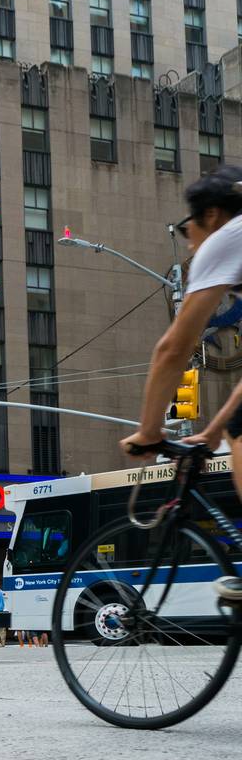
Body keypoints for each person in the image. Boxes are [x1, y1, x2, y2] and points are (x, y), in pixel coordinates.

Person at [121, 167, 242, 601]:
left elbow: (173, 349)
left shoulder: (225, 238)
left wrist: (149, 431)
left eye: (186, 227)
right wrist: (211, 433)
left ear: (210, 215)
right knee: (235, 426)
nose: (188, 237)